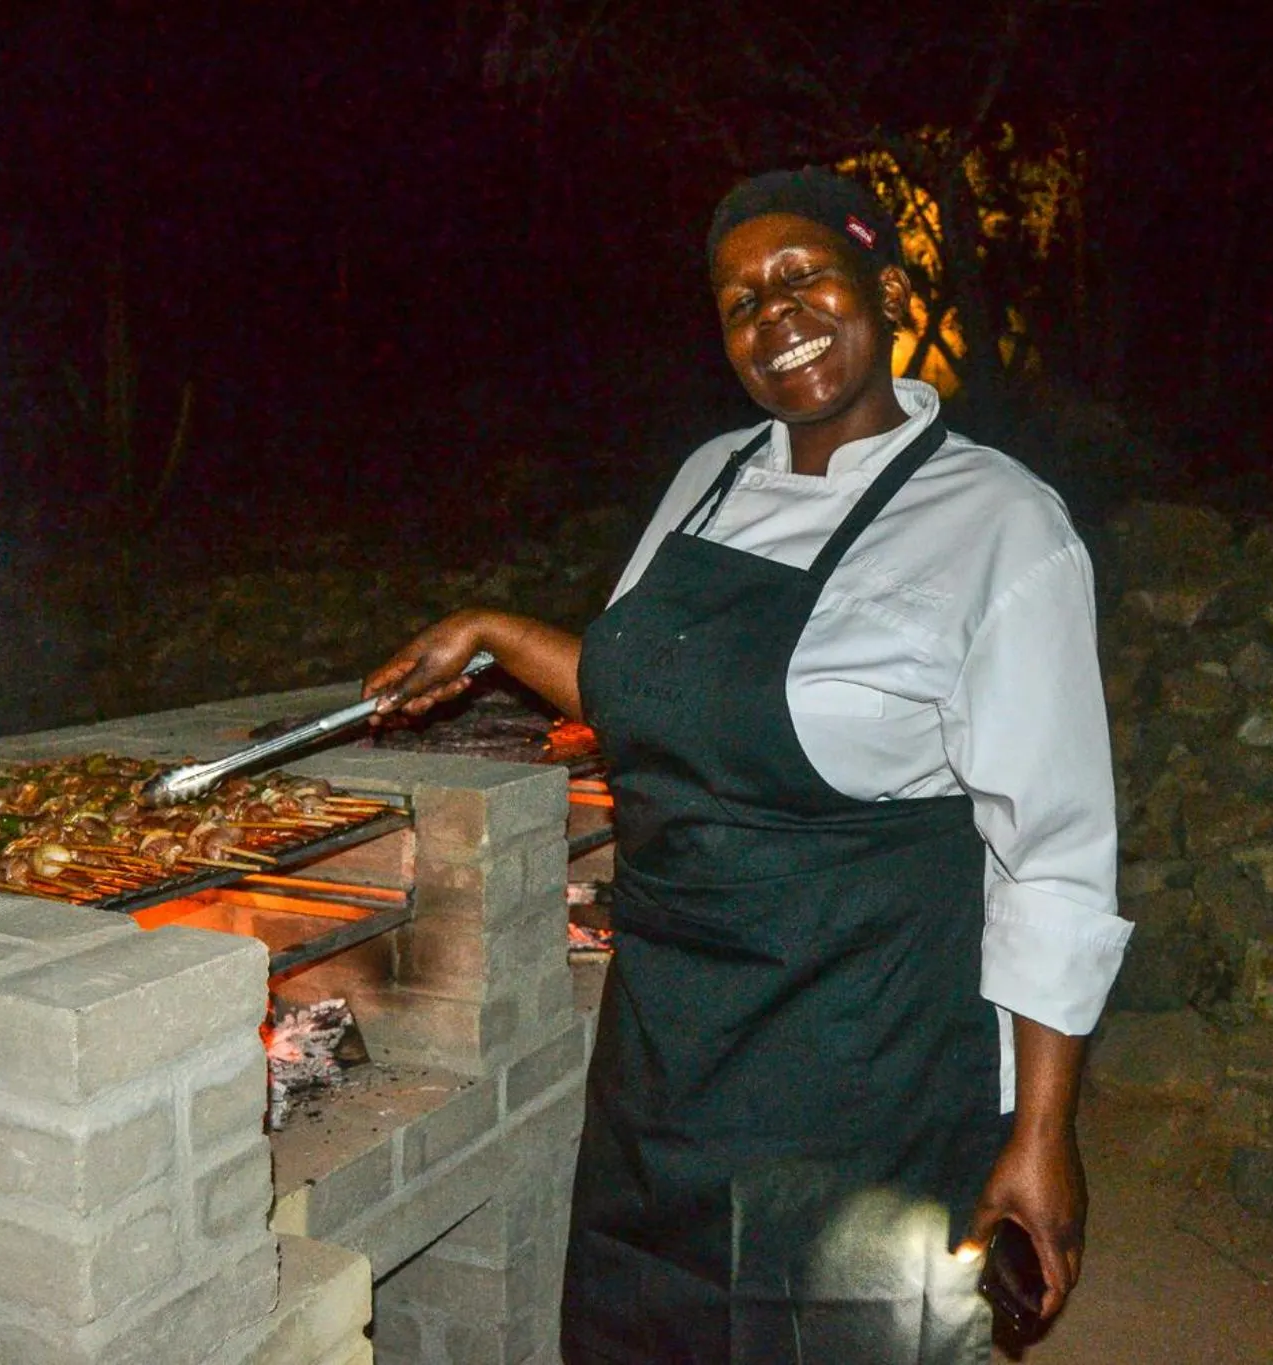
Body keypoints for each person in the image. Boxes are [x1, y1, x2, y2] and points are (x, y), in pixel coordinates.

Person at [367, 167, 1129, 1364]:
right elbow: (652, 696)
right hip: (670, 1048)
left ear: (884, 292)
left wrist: (1040, 1132)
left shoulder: (997, 523)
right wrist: (498, 633)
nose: (774, 316)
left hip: (863, 1054)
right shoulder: (710, 476)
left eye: (802, 277)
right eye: (738, 302)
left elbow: (1055, 857)